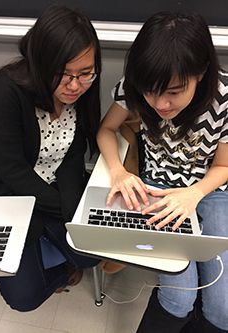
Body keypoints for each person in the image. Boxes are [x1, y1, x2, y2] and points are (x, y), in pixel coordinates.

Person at [97, 11, 228, 333]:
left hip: (209, 190)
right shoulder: (133, 86)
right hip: (157, 187)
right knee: (179, 296)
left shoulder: (223, 97)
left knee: (222, 306)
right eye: (149, 92)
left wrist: (194, 193)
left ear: (201, 73)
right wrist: (118, 171)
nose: (160, 104)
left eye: (173, 91)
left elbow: (224, 166)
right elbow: (105, 130)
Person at [0, 4, 102, 311]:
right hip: (6, 194)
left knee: (92, 253)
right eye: (64, 75)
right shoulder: (3, 92)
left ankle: (63, 256)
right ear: (41, 64)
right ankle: (60, 273)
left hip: (50, 187)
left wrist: (73, 209)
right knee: (25, 299)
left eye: (85, 73)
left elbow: (74, 153)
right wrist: (65, 211)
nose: (76, 86)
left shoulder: (82, 90)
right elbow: (12, 173)